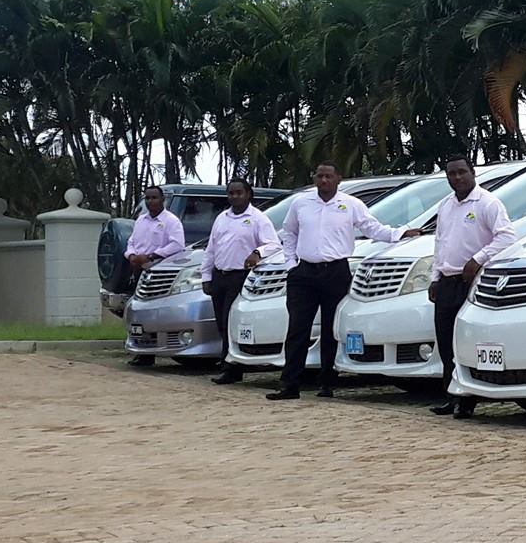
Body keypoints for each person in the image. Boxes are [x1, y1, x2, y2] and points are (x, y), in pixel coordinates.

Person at [268, 163, 420, 401]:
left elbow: (371, 227)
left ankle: (327, 383)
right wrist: (290, 264)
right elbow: (289, 233)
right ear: (314, 178)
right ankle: (290, 384)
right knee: (298, 328)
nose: (324, 181)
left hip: (335, 272)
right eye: (320, 176)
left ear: (338, 178)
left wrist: (399, 234)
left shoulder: (351, 204)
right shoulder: (301, 203)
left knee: (332, 328)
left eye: (329, 176)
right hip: (304, 273)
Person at [427, 158, 516, 419]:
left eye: (462, 172)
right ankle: (451, 394)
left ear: (472, 172)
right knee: (445, 342)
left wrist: (478, 259)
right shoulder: (445, 205)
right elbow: (440, 243)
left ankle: (467, 400)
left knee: (465, 342)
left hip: (471, 282)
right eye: (451, 174)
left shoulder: (487, 203)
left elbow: (507, 236)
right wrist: (435, 276)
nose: (457, 178)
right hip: (447, 280)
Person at [201, 178, 280, 386]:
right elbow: (211, 249)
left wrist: (257, 252)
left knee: (231, 321)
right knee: (221, 323)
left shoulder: (258, 218)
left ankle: (230, 367)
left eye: (239, 193)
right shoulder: (222, 218)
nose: (235, 197)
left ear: (248, 194)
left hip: (240, 277)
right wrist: (206, 276)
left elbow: (274, 244)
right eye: (231, 193)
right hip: (220, 275)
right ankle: (230, 364)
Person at [122, 185, 189, 368]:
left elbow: (177, 245)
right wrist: (131, 255)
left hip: (159, 273)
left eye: (154, 198)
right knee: (138, 312)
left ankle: (158, 349)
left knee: (152, 313)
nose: (151, 201)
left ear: (162, 200)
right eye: (148, 198)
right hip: (139, 270)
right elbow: (131, 242)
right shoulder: (140, 220)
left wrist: (152, 256)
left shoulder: (171, 221)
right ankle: (143, 352)